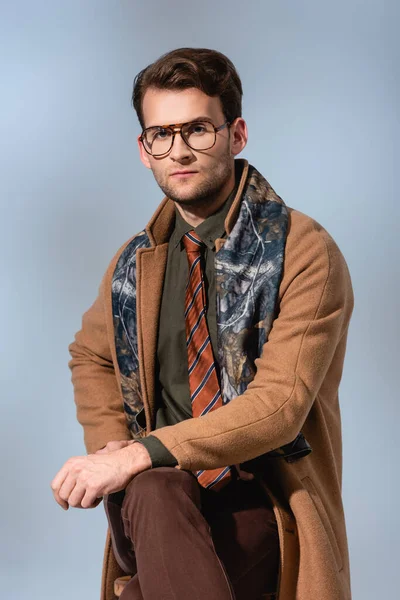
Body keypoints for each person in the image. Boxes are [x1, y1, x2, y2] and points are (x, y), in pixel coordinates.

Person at [51, 47, 354, 600]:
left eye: (197, 129)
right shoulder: (135, 263)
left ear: (236, 134)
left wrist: (142, 453)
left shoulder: (302, 251)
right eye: (161, 135)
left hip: (262, 500)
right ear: (144, 151)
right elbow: (90, 355)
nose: (180, 151)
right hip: (155, 506)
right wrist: (110, 448)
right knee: (156, 492)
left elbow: (280, 407)